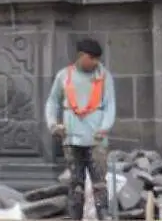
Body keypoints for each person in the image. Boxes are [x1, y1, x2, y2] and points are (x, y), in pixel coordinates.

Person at [45, 38, 117, 220]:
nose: (95, 62)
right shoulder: (64, 76)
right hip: (72, 139)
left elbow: (110, 105)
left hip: (96, 140)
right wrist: (53, 124)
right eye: (92, 58)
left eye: (97, 59)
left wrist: (104, 127)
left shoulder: (104, 76)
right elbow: (52, 102)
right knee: (76, 184)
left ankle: (103, 216)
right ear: (81, 55)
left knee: (99, 184)